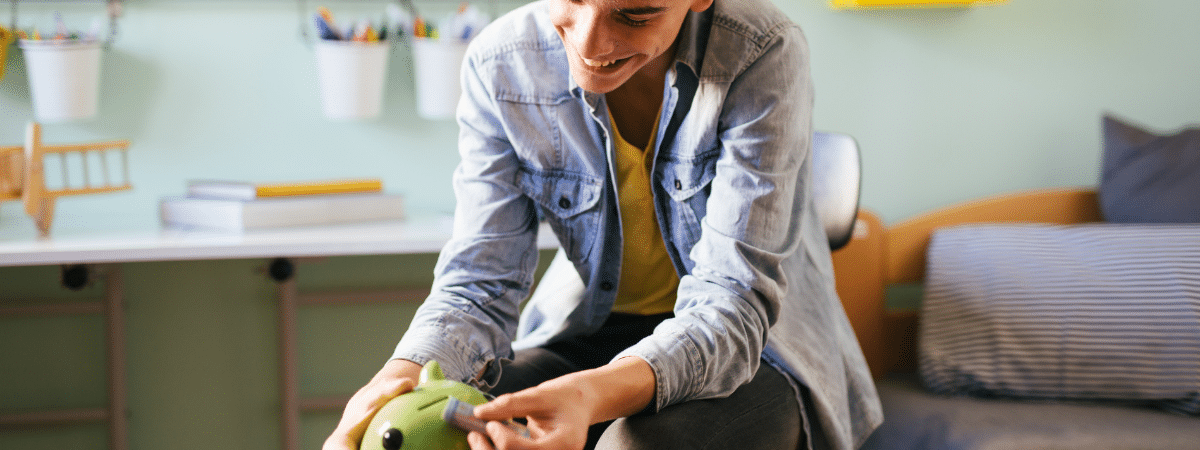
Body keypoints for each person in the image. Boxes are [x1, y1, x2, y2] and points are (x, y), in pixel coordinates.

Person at [325, 0, 882, 449]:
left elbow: (730, 304)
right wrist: (399, 377)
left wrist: (591, 397)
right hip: (590, 334)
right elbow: (479, 282)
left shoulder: (760, 52)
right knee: (436, 431)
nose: (589, 46)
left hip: (758, 355)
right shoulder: (501, 65)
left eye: (635, 14)